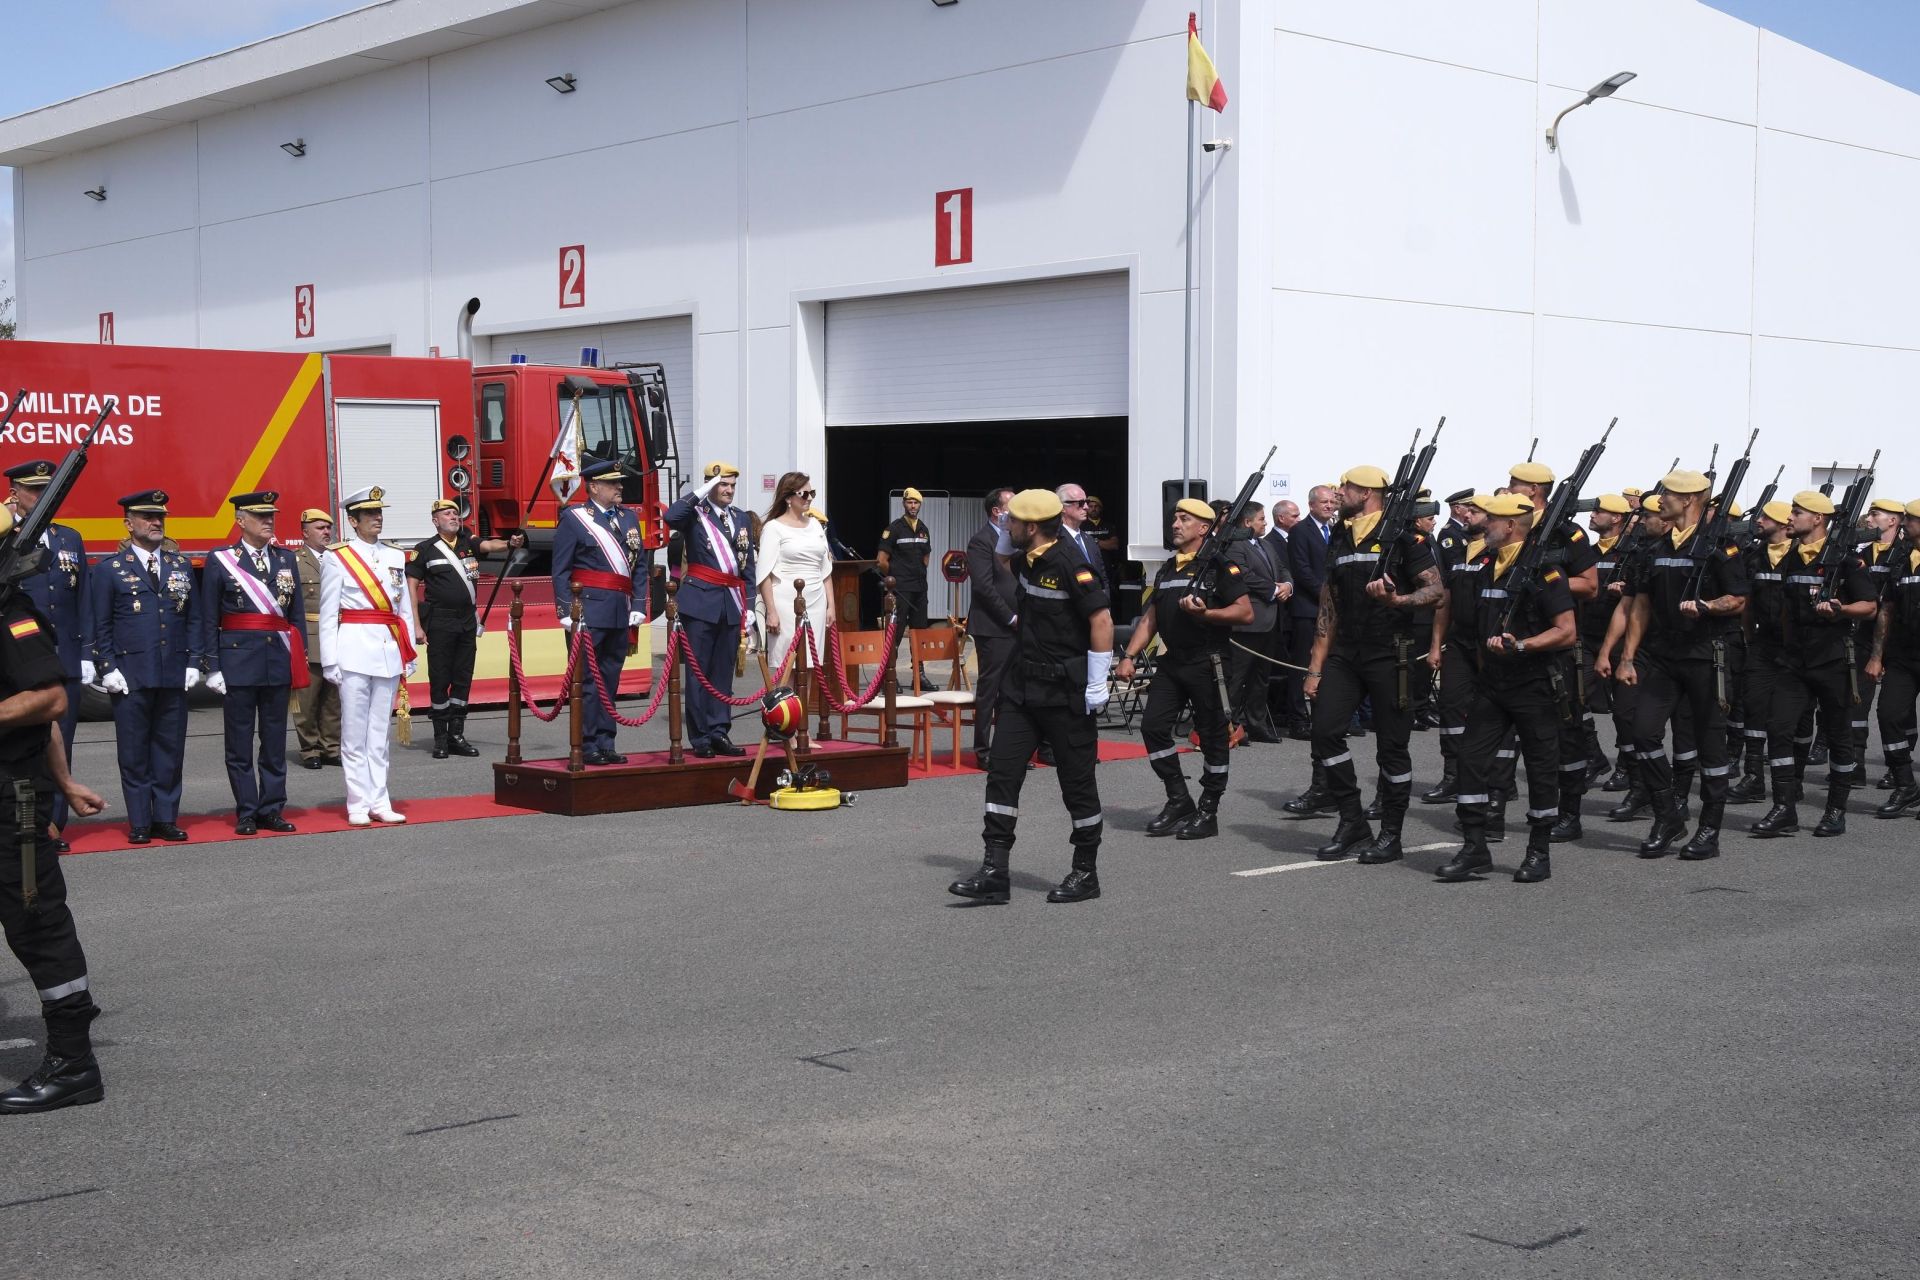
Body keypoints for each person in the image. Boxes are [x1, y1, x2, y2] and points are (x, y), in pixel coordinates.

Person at [948, 489, 1114, 904]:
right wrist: (1012, 528)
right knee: (1002, 775)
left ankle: (1085, 872)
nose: (1005, 525)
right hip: (1022, 689)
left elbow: (1102, 619)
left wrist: (1097, 682)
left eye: (1013, 520)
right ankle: (994, 871)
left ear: (1033, 526)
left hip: (1064, 693)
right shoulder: (1027, 557)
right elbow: (1005, 555)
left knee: (1076, 785)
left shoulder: (1072, 564)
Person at [0, 516, 111, 1113]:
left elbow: (49, 700)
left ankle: (73, 1063)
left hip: (11, 798)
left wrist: (55, 786)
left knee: (36, 922)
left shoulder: (12, 614)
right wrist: (67, 783)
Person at [1299, 467, 1444, 862]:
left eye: (1343, 488)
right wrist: (1315, 666)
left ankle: (1391, 835)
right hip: (1346, 654)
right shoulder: (1341, 536)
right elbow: (1328, 605)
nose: (1338, 493)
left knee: (1391, 748)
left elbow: (1435, 591)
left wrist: (1398, 601)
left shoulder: (1403, 537)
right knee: (1325, 732)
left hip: (1389, 653)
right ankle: (1352, 822)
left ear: (1365, 492)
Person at [1603, 469, 1748, 859]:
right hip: (1662, 658)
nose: (1661, 499)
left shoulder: (1721, 546)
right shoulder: (1656, 547)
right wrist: (1628, 657)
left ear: (1688, 500)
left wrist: (1706, 606)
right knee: (1642, 732)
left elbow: (1738, 599)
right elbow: (1641, 607)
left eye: (1667, 494)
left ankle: (1709, 831)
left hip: (1706, 656)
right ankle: (1668, 813)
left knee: (1710, 746)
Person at [1434, 493, 1578, 883]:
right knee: (1470, 758)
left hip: (1533, 685)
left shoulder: (1544, 572)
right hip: (1493, 684)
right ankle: (1475, 847)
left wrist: (1523, 645)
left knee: (1540, 768)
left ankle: (1538, 851)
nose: (1484, 525)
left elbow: (1566, 632)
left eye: (1491, 520)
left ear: (1511, 526)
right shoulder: (1485, 567)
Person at [1117, 497, 1253, 840]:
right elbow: (1152, 618)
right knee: (1153, 727)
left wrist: (1206, 615)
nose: (1175, 524)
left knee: (1212, 738)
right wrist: (1129, 655)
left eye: (1184, 519)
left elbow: (1244, 612)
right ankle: (1179, 798)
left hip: (1210, 663)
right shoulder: (1168, 568)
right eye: (1175, 518)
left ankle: (1208, 810)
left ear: (1204, 528)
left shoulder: (1221, 565)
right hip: (1173, 662)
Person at [1747, 490, 1875, 838]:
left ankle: (1835, 809)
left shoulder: (1845, 562)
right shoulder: (1790, 558)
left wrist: (1841, 609)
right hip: (1794, 661)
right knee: (1778, 727)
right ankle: (1785, 806)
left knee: (1838, 735)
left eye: (1797, 512)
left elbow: (1870, 606)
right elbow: (1787, 608)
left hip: (1832, 660)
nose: (1790, 517)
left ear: (1817, 519)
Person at [1502, 460, 1604, 842]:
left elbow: (1591, 585)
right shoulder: (1511, 527)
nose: (1508, 486)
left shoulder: (1566, 533)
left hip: (1559, 644)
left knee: (1568, 732)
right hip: (1513, 641)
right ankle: (1495, 805)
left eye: (1514, 483)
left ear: (1534, 490)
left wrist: (1543, 581)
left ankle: (1570, 813)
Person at [193, 491, 305, 835]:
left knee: (274, 742)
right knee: (239, 743)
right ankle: (246, 809)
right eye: (260, 516)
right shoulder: (222, 560)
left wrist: (296, 659)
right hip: (238, 661)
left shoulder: (286, 560)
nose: (269, 520)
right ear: (240, 521)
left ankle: (272, 807)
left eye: (271, 515)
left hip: (275, 661)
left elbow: (295, 615)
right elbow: (208, 616)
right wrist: (211, 666)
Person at [90, 490, 196, 845]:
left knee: (170, 749)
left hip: (172, 671)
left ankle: (165, 817)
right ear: (128, 524)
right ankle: (139, 820)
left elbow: (192, 618)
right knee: (134, 751)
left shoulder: (179, 565)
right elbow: (99, 623)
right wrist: (107, 667)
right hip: (131, 673)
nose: (155, 523)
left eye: (160, 518)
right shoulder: (110, 569)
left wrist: (195, 661)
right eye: (148, 518)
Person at [319, 486, 421, 825]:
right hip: (353, 650)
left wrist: (407, 650)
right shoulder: (337, 556)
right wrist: (330, 660)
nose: (377, 518)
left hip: (388, 649)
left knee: (379, 733)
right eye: (369, 514)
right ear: (353, 520)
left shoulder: (394, 555)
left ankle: (381, 799)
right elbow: (329, 611)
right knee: (353, 733)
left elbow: (403, 608)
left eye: (379, 513)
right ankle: (357, 803)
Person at [4, 460, 91, 848]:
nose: (41, 497)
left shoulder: (68, 537)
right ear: (14, 493)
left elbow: (82, 598)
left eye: (46, 489)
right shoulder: (10, 540)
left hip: (59, 654)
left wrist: (88, 652)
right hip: (17, 655)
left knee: (58, 739)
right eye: (33, 490)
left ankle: (52, 823)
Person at [409, 499, 523, 759]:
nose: (453, 517)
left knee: (462, 677)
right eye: (446, 514)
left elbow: (489, 545)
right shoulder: (424, 549)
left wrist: (510, 543)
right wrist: (416, 624)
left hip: (466, 621)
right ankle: (440, 737)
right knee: (440, 678)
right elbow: (411, 587)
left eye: (455, 513)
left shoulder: (467, 541)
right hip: (440, 621)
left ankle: (456, 734)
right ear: (435, 520)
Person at [552, 459, 646, 764]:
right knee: (588, 682)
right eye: (613, 483)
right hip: (589, 612)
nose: (620, 487)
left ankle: (606, 742)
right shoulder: (575, 518)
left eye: (619, 482)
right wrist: (566, 611)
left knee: (610, 680)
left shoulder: (629, 518)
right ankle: (586, 743)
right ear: (594, 487)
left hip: (620, 610)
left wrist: (640, 605)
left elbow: (640, 566)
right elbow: (561, 570)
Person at [665, 461, 755, 759]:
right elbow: (670, 516)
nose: (729, 491)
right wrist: (700, 492)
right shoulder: (695, 515)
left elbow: (748, 567)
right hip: (700, 603)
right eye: (722, 485)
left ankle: (719, 732)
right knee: (698, 673)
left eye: (732, 486)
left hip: (731, 603)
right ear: (710, 487)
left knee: (722, 676)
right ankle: (700, 736)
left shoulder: (741, 519)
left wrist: (751, 605)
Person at [1728, 500, 1795, 804]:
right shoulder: (1753, 555)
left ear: (1783, 523)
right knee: (1753, 705)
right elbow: (1745, 600)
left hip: (1796, 647)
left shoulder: (1799, 556)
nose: (1759, 520)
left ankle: (1794, 779)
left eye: (1767, 517)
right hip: (1762, 643)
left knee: (1794, 717)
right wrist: (1747, 634)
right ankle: (1753, 776)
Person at [1865, 499, 1920, 816]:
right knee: (1888, 716)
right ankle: (1905, 785)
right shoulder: (1900, 561)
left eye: (1910, 518)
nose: (1906, 522)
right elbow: (1886, 611)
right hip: (1902, 656)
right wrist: (1877, 656)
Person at [965, 487, 1019, 768]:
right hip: (994, 627)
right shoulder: (981, 541)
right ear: (996, 511)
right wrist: (1010, 617)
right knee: (991, 690)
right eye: (1011, 505)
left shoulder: (1017, 539)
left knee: (1013, 692)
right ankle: (984, 751)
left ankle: (1008, 749)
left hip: (1019, 627)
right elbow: (984, 587)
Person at [1284, 484, 1340, 748]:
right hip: (1308, 608)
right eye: (1324, 502)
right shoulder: (1300, 531)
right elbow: (1302, 569)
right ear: (1311, 505)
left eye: (1332, 501)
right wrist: (1326, 596)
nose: (1329, 506)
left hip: (1332, 611)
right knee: (1301, 665)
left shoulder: (1337, 531)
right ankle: (1298, 719)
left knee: (1327, 666)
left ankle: (1325, 717)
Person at [759, 472, 831, 670]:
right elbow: (764, 574)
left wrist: (830, 606)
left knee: (810, 665)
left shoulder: (815, 525)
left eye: (812, 493)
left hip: (816, 600)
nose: (809, 498)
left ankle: (803, 703)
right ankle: (787, 703)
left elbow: (825, 569)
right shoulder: (774, 528)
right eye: (804, 494)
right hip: (786, 601)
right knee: (788, 664)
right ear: (789, 497)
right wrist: (771, 611)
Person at [293, 510, 342, 769]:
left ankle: (331, 747)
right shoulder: (294, 561)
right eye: (320, 528)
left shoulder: (339, 560)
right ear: (305, 532)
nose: (326, 532)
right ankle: (310, 748)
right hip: (309, 636)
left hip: (336, 635)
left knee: (333, 699)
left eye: (328, 528)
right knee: (307, 699)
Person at [876, 485, 936, 688]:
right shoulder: (893, 529)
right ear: (903, 504)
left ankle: (919, 676)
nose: (912, 505)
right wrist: (894, 578)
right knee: (896, 632)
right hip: (901, 589)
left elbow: (926, 557)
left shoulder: (923, 528)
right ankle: (888, 677)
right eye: (909, 502)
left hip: (920, 589)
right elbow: (881, 560)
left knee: (920, 634)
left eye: (916, 502)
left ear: (920, 504)